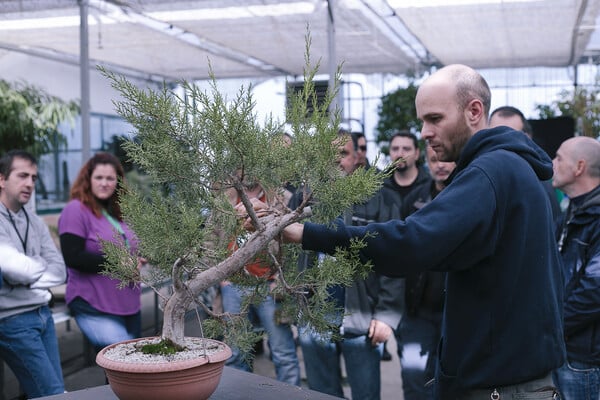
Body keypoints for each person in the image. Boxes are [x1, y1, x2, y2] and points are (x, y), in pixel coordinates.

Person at [272, 64, 565, 399]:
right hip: (508, 377)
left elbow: (410, 243)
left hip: (499, 385)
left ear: (474, 111)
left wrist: (306, 234)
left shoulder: (490, 172)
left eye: (435, 119)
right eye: (423, 121)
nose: (424, 132)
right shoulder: (512, 167)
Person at [296, 130, 403, 400]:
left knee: (366, 395)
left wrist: (386, 315)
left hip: (361, 319)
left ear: (357, 157)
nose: (335, 160)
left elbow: (396, 258)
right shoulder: (307, 198)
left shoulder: (381, 198)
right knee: (321, 394)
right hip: (316, 320)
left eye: (342, 153)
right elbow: (293, 255)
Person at [58, 152, 143, 353]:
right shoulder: (75, 210)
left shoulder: (118, 213)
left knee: (127, 376)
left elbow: (128, 249)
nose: (104, 183)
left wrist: (137, 260)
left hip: (130, 304)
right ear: (88, 180)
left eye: (110, 178)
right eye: (99, 177)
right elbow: (73, 256)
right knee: (123, 361)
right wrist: (117, 263)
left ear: (118, 182)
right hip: (94, 303)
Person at [220, 176, 301, 386]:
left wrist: (281, 281)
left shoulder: (281, 198)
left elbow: (294, 245)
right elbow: (211, 239)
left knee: (283, 352)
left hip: (269, 285)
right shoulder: (224, 200)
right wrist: (221, 278)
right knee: (236, 354)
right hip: (233, 285)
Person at [0, 150, 67, 398]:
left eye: (34, 178)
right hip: (13, 320)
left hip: (43, 314)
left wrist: (23, 274)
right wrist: (30, 267)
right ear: (2, 179)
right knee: (52, 393)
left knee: (54, 390)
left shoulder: (35, 221)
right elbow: (14, 268)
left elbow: (59, 271)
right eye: (22, 175)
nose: (30, 183)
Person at [397, 145, 455, 400]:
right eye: (434, 159)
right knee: (413, 375)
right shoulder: (416, 200)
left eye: (446, 160)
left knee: (450, 380)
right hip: (416, 313)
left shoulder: (467, 197)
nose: (440, 164)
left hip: (453, 313)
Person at [550, 136, 600, 399]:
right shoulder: (571, 211)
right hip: (565, 349)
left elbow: (594, 291)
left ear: (579, 167)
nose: (552, 163)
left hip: (584, 359)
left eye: (559, 157)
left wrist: (552, 324)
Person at [489, 105, 562, 220]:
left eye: (510, 135)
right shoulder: (481, 175)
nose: (502, 142)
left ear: (527, 138)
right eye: (495, 134)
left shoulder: (545, 179)